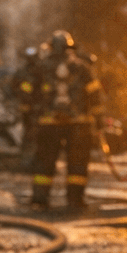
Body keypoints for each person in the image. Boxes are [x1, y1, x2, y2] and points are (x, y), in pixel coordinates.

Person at [29, 30, 102, 213]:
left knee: (44, 163)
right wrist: (98, 119)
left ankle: (40, 200)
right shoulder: (82, 67)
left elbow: (30, 92)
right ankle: (75, 200)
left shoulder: (41, 67)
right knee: (77, 165)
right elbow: (95, 95)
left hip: (48, 124)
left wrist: (31, 115)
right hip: (78, 123)